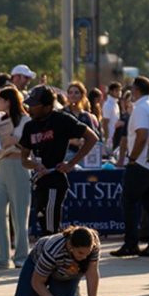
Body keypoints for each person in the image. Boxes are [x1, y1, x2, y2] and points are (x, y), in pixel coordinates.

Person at [19, 86, 98, 237]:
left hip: (55, 179)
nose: (30, 109)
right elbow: (24, 159)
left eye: (34, 105)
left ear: (48, 107)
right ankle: (50, 254)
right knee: (42, 223)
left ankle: (53, 256)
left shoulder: (61, 120)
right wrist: (35, 165)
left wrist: (71, 163)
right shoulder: (29, 126)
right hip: (39, 180)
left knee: (50, 227)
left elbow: (92, 137)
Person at [112, 77, 149, 257]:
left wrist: (132, 157)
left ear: (136, 90)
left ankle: (131, 243)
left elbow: (142, 135)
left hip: (141, 163)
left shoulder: (141, 108)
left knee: (128, 203)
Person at [0, 86, 34, 269]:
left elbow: (30, 145)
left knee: (20, 212)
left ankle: (21, 255)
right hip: (0, 165)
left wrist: (16, 141)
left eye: (1, 99)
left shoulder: (26, 120)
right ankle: (0, 256)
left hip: (19, 165)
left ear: (9, 101)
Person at [14, 225, 104, 296]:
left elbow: (92, 272)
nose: (84, 257)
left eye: (87, 254)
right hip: (38, 262)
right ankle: (45, 295)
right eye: (80, 253)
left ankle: (72, 293)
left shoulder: (94, 244)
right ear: (71, 246)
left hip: (66, 270)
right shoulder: (53, 250)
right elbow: (37, 281)